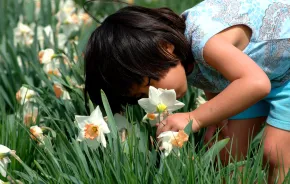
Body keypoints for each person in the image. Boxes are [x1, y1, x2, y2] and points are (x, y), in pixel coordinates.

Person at [84, 0, 290, 183]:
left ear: (165, 47)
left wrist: (196, 118)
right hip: (261, 73)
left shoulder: (204, 41)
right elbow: (216, 78)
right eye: (142, 96)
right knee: (228, 150)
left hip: (280, 73)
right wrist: (216, 120)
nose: (155, 95)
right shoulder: (183, 60)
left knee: (275, 152)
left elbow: (256, 83)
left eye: (149, 82)